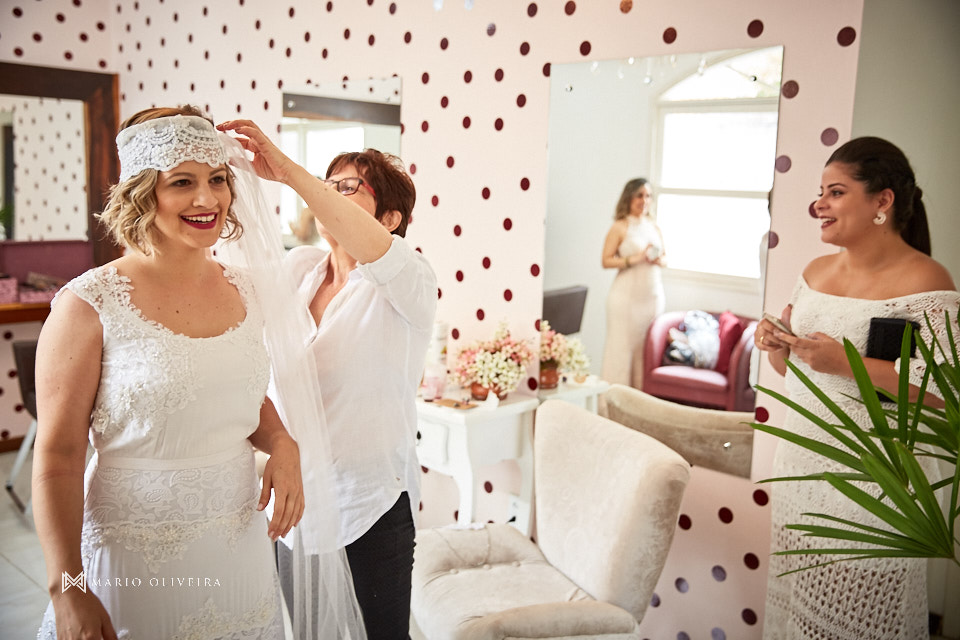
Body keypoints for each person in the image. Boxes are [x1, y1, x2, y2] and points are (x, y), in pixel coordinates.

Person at [32, 106, 363, 639]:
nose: (206, 199)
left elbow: (235, 392)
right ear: (144, 193)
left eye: (217, 180)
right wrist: (67, 590)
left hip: (236, 550)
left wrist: (281, 441)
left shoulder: (249, 290)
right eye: (182, 182)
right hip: (133, 559)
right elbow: (58, 459)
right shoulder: (88, 304)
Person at [218, 119, 438, 639]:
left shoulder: (409, 280)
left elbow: (375, 250)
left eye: (346, 188)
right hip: (295, 499)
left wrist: (290, 174)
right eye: (327, 183)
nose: (326, 197)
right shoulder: (300, 270)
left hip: (372, 503)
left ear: (390, 217)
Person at [755, 136, 959, 639]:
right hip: (801, 473)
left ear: (882, 201)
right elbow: (796, 376)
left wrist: (847, 363)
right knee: (799, 611)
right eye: (821, 191)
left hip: (874, 481)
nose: (819, 205)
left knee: (861, 622)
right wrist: (778, 346)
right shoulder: (813, 273)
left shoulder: (927, 280)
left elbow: (943, 393)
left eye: (836, 192)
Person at [600, 178, 666, 388]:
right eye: (639, 195)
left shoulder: (654, 227)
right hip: (626, 300)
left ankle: (638, 403)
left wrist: (656, 260)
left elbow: (665, 258)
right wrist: (635, 259)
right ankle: (613, 401)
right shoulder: (620, 227)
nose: (644, 201)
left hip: (650, 298)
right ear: (629, 198)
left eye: (648, 196)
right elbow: (606, 260)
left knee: (643, 352)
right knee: (621, 350)